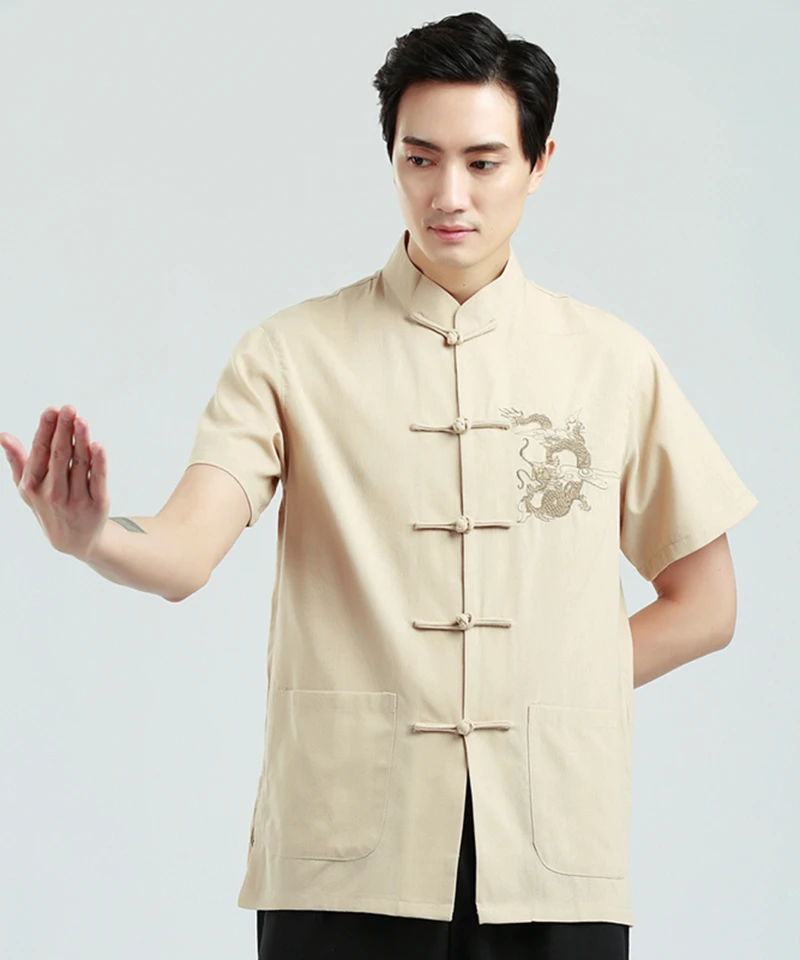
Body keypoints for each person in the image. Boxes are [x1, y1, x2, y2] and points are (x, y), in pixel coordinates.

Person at [1, 12, 758, 960]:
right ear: (392, 157)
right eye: (420, 159)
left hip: (554, 843)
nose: (449, 194)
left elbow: (706, 604)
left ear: (540, 162)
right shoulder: (291, 353)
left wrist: (548, 679)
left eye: (484, 162)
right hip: (344, 851)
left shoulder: (612, 362)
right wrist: (94, 536)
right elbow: (187, 550)